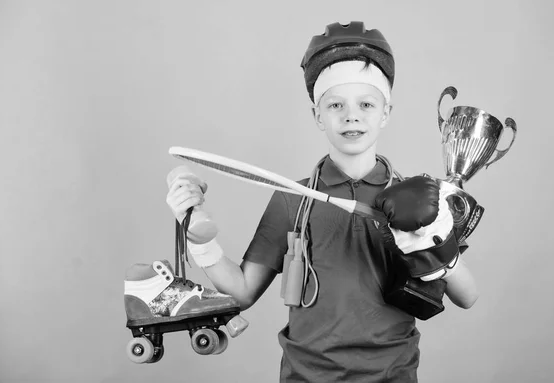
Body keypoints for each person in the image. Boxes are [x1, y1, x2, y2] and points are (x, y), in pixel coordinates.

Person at [166, 21, 479, 382]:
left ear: (386, 113)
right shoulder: (290, 198)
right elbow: (242, 291)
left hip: (393, 374)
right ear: (318, 115)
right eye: (335, 105)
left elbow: (468, 297)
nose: (351, 115)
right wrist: (199, 239)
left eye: (366, 103)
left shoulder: (421, 198)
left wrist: (437, 240)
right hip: (306, 375)